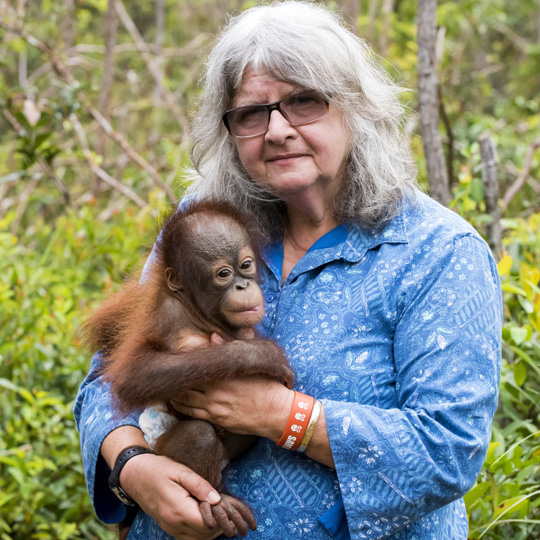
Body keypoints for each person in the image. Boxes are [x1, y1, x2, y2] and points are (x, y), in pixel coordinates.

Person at [74, 2, 502, 539]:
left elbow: (449, 449)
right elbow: (103, 381)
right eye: (251, 113)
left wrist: (283, 415)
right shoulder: (205, 230)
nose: (277, 130)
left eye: (303, 102)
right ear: (228, 131)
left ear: (355, 108)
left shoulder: (436, 252)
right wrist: (133, 465)